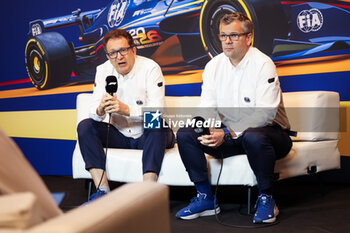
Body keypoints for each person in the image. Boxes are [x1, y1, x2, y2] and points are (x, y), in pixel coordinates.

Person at [175, 12, 292, 223]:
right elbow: (207, 106)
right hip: (231, 136)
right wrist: (206, 129)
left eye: (234, 36)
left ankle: (266, 197)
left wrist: (227, 132)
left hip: (272, 135)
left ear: (248, 38)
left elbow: (266, 114)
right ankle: (205, 197)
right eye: (223, 36)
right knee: (185, 133)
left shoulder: (263, 63)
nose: (227, 41)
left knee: (253, 136)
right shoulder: (213, 66)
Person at [77, 29, 175, 202]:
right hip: (120, 135)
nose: (119, 57)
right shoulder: (102, 71)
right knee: (85, 126)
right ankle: (102, 191)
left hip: (149, 135)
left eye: (123, 50)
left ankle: (147, 193)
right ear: (107, 56)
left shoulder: (150, 68)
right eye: (113, 53)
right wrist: (100, 109)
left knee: (156, 124)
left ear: (133, 50)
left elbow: (157, 112)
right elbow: (93, 111)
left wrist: (126, 110)